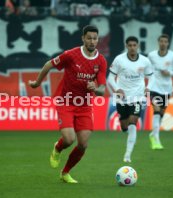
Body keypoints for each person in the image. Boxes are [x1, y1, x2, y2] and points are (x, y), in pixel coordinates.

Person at [29, 25, 107, 183]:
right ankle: (58, 148)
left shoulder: (101, 61)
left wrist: (96, 88)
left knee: (83, 144)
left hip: (85, 105)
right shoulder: (71, 55)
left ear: (98, 40)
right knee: (69, 139)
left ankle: (65, 173)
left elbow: (102, 89)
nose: (92, 41)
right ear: (83, 38)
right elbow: (48, 65)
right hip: (66, 101)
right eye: (89, 38)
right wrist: (37, 83)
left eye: (95, 38)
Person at [107, 36, 153, 163]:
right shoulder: (119, 60)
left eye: (134, 45)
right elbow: (110, 78)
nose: (132, 47)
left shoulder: (145, 61)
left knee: (133, 122)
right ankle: (126, 129)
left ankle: (127, 155)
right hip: (122, 98)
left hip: (137, 97)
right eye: (130, 45)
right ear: (126, 46)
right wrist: (117, 89)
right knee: (124, 125)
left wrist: (148, 87)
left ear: (138, 46)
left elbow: (151, 77)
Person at [147, 34, 173, 150]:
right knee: (156, 110)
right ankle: (156, 139)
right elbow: (147, 70)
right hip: (154, 88)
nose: (163, 43)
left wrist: (169, 72)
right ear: (158, 42)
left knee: (161, 114)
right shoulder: (151, 55)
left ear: (168, 43)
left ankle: (153, 134)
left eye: (165, 41)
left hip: (167, 89)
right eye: (161, 41)